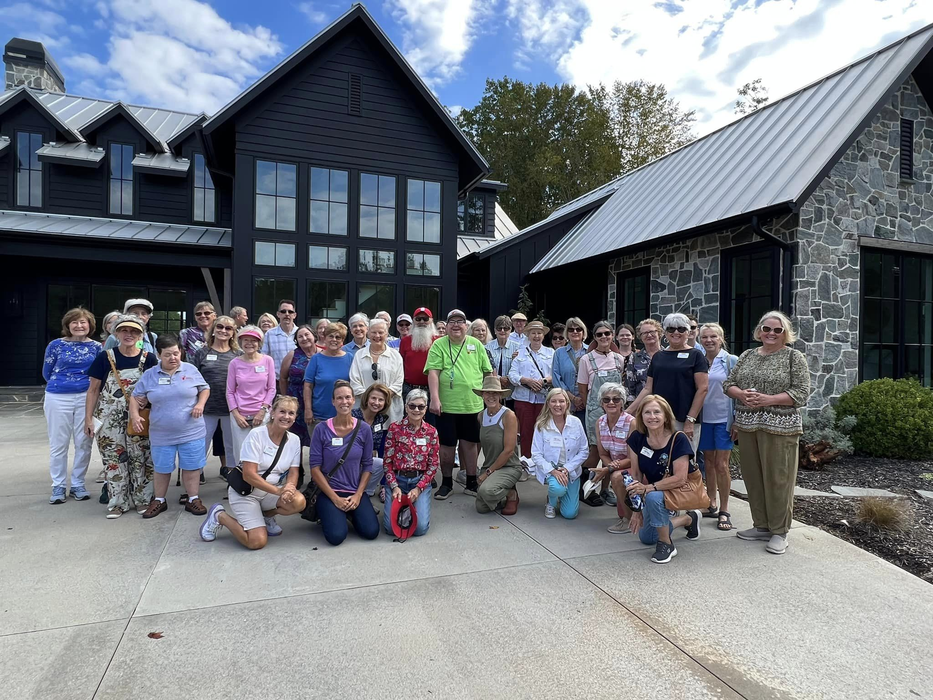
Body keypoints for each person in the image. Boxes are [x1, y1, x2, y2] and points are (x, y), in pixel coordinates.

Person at [723, 310, 810, 555]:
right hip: (748, 425)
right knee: (753, 476)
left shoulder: (794, 357)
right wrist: (741, 394)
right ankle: (761, 525)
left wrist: (768, 399)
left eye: (777, 330)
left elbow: (801, 393)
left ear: (785, 333)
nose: (771, 333)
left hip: (781, 428)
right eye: (767, 328)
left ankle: (780, 531)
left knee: (778, 479)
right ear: (759, 331)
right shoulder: (748, 355)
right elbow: (728, 384)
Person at [200, 396, 307, 548]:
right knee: (256, 542)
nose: (286, 417)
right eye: (282, 412)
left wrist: (289, 488)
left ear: (295, 417)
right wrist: (278, 491)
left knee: (298, 501)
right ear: (273, 413)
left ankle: (265, 515)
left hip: (269, 492)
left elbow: (294, 471)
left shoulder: (294, 440)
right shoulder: (257, 435)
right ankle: (219, 516)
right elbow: (249, 475)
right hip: (246, 492)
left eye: (291, 413)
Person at [84, 315, 157, 518]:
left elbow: (155, 388)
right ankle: (118, 502)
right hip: (109, 418)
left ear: (141, 334)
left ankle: (143, 499)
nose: (129, 335)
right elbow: (93, 390)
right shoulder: (105, 357)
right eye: (124, 330)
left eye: (134, 331)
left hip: (139, 417)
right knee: (114, 459)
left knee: (141, 458)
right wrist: (88, 419)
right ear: (116, 333)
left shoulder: (149, 359)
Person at [131, 335, 209, 518]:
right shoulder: (150, 374)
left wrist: (200, 404)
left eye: (176, 353)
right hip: (161, 433)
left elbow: (204, 388)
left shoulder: (190, 369)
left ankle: (193, 498)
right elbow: (135, 396)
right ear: (158, 355)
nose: (173, 358)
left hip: (191, 430)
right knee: (162, 467)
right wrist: (135, 415)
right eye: (168, 355)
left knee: (191, 466)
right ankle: (159, 500)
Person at [624, 395, 703, 564]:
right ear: (641, 416)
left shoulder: (678, 439)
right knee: (646, 537)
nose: (652, 417)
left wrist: (649, 488)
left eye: (656, 412)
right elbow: (636, 476)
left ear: (666, 416)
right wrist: (637, 511)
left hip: (677, 488)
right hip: (653, 489)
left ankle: (666, 545)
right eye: (647, 412)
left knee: (653, 497)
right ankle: (688, 519)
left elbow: (680, 479)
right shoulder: (637, 438)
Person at [425, 308, 492, 500]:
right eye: (452, 321)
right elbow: (433, 373)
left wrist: (490, 399)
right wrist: (435, 398)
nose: (456, 325)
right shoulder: (438, 345)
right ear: (446, 326)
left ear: (466, 326)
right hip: (447, 406)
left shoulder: (476, 345)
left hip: (473, 405)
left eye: (460, 321)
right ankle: (447, 482)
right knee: (446, 447)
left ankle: (471, 482)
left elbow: (488, 372)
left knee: (470, 445)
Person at [308, 381, 380, 546]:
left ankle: (347, 513)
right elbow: (315, 469)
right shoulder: (321, 429)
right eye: (339, 398)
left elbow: (368, 465)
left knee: (371, 532)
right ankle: (331, 512)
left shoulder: (364, 429)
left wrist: (358, 495)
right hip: (329, 491)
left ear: (353, 400)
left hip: (354, 491)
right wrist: (335, 499)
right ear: (333, 401)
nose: (344, 401)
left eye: (347, 397)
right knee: (336, 537)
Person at [628, 313, 708, 454]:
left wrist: (690, 419)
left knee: (684, 462)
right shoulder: (658, 356)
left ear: (688, 332)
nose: (676, 332)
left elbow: (702, 389)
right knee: (657, 459)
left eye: (681, 329)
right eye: (671, 329)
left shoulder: (696, 355)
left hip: (685, 419)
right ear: (665, 332)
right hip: (659, 418)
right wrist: (629, 411)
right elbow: (648, 388)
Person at [43, 307, 101, 504]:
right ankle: (58, 485)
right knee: (58, 443)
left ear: (90, 325)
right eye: (74, 322)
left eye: (83, 322)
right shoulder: (55, 345)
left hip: (87, 396)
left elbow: (99, 374)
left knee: (84, 442)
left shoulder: (96, 347)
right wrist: (64, 384)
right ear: (68, 325)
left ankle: (78, 484)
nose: (79, 325)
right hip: (58, 396)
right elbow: (47, 371)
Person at [577, 320, 627, 507]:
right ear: (594, 337)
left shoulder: (618, 358)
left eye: (607, 333)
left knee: (614, 451)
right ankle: (586, 487)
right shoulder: (586, 359)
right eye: (599, 334)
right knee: (595, 451)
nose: (604, 337)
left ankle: (606, 489)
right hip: (596, 411)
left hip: (616, 410)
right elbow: (583, 389)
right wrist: (594, 406)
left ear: (612, 335)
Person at [698, 322, 739, 530]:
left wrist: (738, 421)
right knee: (708, 462)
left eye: (713, 336)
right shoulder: (698, 360)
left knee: (722, 465)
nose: (709, 340)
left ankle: (724, 510)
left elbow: (741, 393)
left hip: (724, 419)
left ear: (721, 338)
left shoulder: (731, 361)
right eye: (704, 337)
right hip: (704, 419)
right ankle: (711, 503)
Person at [382, 388, 438, 536]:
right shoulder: (394, 429)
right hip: (398, 480)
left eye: (421, 406)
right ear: (406, 407)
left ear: (426, 409)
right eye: (412, 406)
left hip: (419, 481)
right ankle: (405, 504)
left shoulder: (432, 432)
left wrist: (419, 488)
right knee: (390, 529)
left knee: (420, 529)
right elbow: (387, 462)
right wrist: (394, 486)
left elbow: (433, 465)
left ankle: (416, 506)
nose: (416, 410)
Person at [192, 315, 240, 480]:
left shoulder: (238, 354)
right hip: (206, 408)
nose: (223, 331)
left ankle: (234, 480)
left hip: (231, 409)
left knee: (231, 447)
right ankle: (194, 479)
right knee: (200, 445)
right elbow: (192, 379)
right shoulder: (202, 353)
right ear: (213, 330)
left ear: (233, 333)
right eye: (220, 327)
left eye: (228, 328)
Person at [532, 388, 588, 520]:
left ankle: (561, 493)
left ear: (567, 403)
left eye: (561, 401)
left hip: (571, 470)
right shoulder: (541, 425)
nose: (558, 405)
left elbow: (584, 450)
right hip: (552, 469)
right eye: (554, 401)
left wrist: (568, 468)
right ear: (548, 404)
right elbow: (536, 454)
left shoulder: (576, 422)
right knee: (558, 489)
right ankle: (551, 501)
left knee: (569, 514)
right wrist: (553, 471)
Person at [226, 326, 276, 465]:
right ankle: (242, 484)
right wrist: (236, 415)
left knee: (262, 453)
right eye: (245, 340)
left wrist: (262, 411)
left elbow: (271, 389)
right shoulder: (234, 363)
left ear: (259, 343)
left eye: (253, 340)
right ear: (240, 342)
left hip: (262, 414)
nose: (249, 343)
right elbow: (230, 391)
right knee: (242, 454)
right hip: (240, 415)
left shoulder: (267, 360)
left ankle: (261, 484)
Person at [591, 383, 636, 534]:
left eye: (616, 399)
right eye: (606, 399)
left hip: (636, 465)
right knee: (616, 474)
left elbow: (632, 458)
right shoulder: (600, 423)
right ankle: (627, 515)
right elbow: (603, 453)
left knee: (616, 477)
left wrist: (609, 468)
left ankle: (628, 521)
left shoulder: (631, 423)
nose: (611, 403)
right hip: (617, 465)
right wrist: (610, 466)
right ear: (601, 403)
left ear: (623, 402)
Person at [474, 376, 522, 515]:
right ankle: (502, 492)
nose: (491, 396)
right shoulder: (481, 416)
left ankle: (511, 494)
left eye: (495, 393)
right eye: (487, 392)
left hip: (508, 466)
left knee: (486, 491)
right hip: (489, 465)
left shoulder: (509, 416)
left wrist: (487, 474)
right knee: (481, 508)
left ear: (500, 395)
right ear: (482, 395)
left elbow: (508, 451)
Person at [508, 320, 554, 459]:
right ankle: (526, 463)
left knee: (544, 432)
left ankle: (543, 464)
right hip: (523, 398)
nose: (536, 336)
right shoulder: (520, 353)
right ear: (528, 335)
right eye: (533, 333)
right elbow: (512, 374)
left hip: (544, 399)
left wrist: (544, 381)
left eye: (539, 333)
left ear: (543, 335)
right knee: (526, 432)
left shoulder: (551, 353)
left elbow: (556, 373)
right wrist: (526, 380)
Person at [278, 324, 316, 482]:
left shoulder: (322, 354)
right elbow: (283, 377)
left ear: (314, 336)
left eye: (307, 335)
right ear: (296, 340)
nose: (304, 338)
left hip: (314, 401)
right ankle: (296, 472)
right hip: (295, 402)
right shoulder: (292, 354)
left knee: (316, 438)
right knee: (295, 439)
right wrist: (287, 398)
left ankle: (318, 474)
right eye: (300, 336)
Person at [349, 318, 404, 423]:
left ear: (387, 334)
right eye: (374, 332)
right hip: (364, 409)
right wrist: (370, 401)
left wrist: (381, 401)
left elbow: (398, 382)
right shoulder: (359, 355)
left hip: (389, 411)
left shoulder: (395, 356)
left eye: (381, 332)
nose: (377, 336)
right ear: (368, 333)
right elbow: (354, 381)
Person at [304, 322, 353, 428]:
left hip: (344, 415)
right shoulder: (316, 359)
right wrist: (308, 409)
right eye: (330, 336)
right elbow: (308, 386)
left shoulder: (350, 358)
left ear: (342, 341)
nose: (334, 340)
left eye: (338, 337)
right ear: (325, 338)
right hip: (319, 416)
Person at [352, 382, 391, 499]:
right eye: (373, 398)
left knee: (381, 463)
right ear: (367, 398)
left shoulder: (380, 419)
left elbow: (374, 448)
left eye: (381, 400)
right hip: (349, 461)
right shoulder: (353, 416)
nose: (376, 403)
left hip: (365, 460)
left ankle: (366, 494)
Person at [399, 307, 437, 425]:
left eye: (425, 319)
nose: (421, 322)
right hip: (409, 388)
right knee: (409, 424)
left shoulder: (438, 341)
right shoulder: (405, 341)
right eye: (418, 319)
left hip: (430, 390)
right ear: (414, 321)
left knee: (430, 425)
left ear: (431, 320)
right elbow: (401, 364)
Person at [551, 317, 588, 421]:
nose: (575, 332)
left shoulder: (591, 351)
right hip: (565, 405)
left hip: (587, 405)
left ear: (583, 332)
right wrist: (573, 398)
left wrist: (583, 400)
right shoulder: (559, 353)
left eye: (578, 329)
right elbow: (556, 378)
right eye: (571, 330)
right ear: (566, 333)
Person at [625, 319, 660, 410]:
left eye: (652, 331)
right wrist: (632, 409)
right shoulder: (634, 357)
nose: (649, 335)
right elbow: (629, 387)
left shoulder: (668, 355)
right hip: (641, 407)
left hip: (664, 405)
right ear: (640, 337)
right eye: (644, 333)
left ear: (659, 333)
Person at [262, 299, 298, 375]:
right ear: (278, 314)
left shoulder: (301, 334)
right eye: (283, 311)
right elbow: (264, 359)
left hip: (297, 381)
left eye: (290, 312)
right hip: (276, 381)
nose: (287, 314)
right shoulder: (270, 334)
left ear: (294, 315)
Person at [486, 315, 521, 392]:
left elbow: (520, 368)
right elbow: (485, 368)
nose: (502, 331)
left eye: (506, 328)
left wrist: (508, 378)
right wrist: (499, 379)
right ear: (495, 330)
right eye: (499, 328)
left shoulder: (518, 347)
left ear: (510, 330)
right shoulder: (487, 347)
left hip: (511, 392)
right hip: (492, 390)